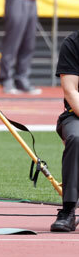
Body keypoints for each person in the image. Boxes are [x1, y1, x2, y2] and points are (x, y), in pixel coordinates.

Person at [52, 30, 79, 232]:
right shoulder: (73, 42)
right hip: (76, 114)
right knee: (77, 138)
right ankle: (68, 210)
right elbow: (70, 90)